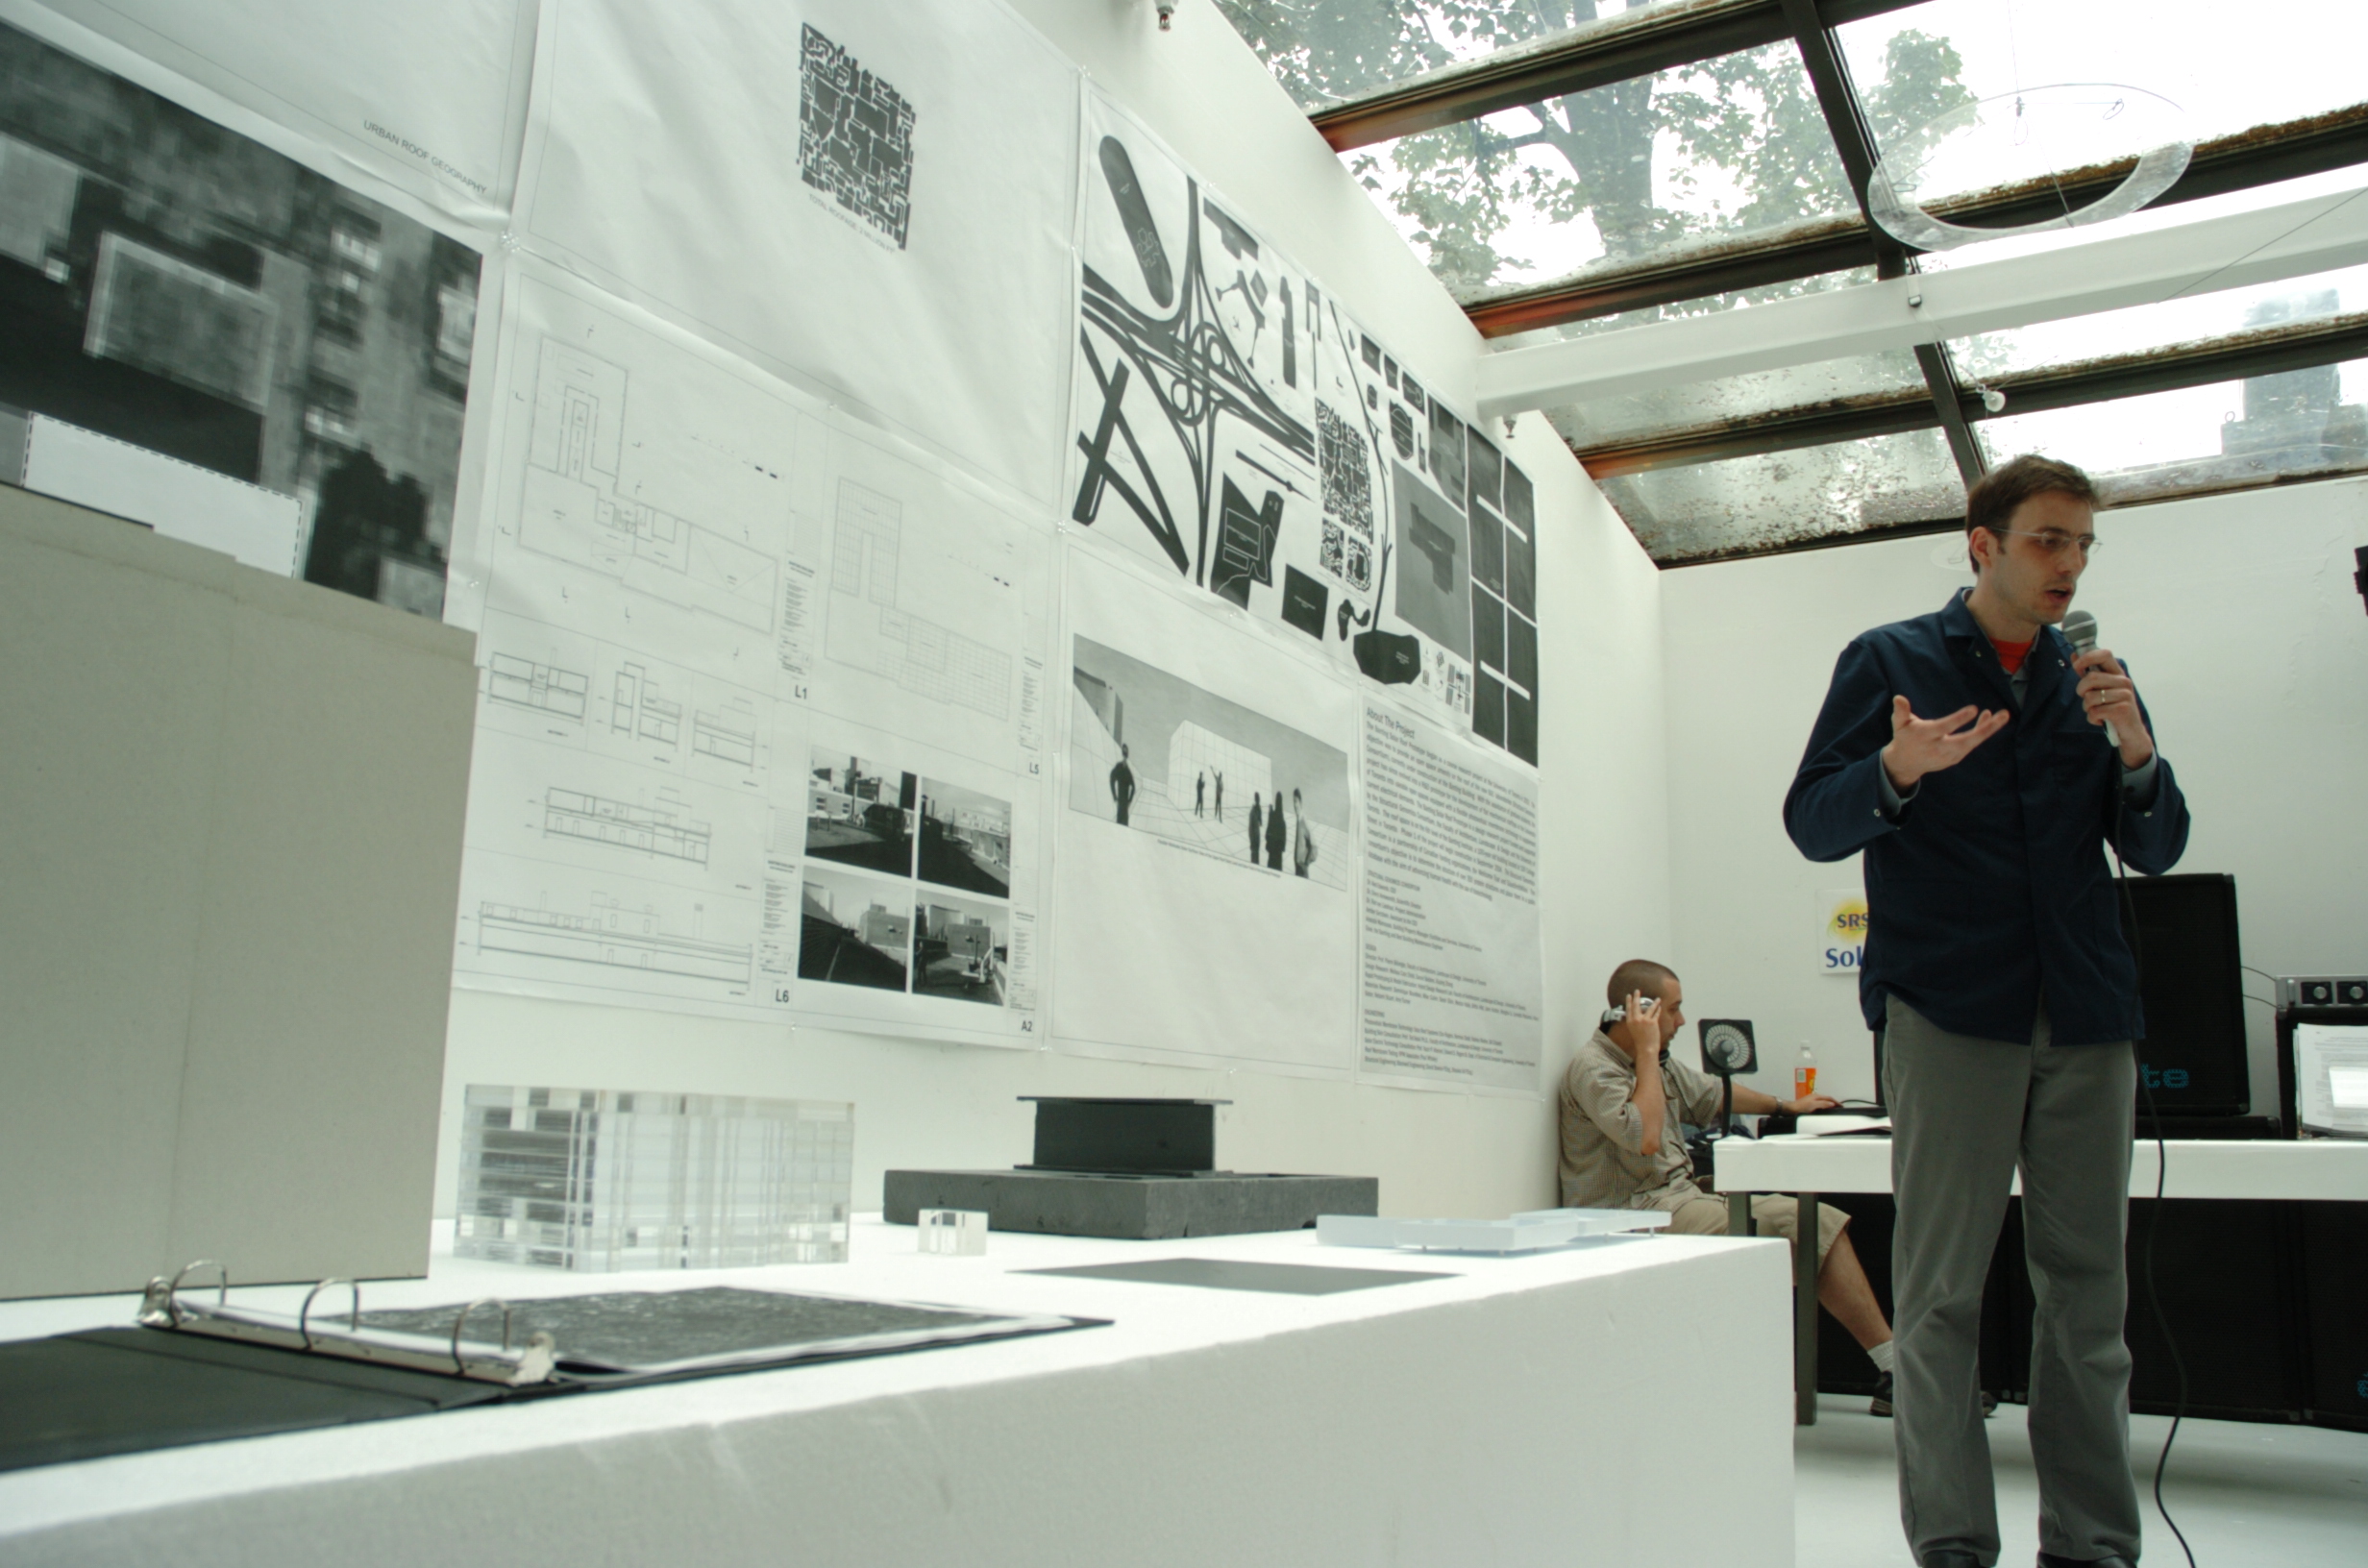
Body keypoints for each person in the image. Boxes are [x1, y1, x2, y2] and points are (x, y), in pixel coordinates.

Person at [1785, 454, 2189, 1568]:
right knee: (1939, 1298)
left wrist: (2137, 750)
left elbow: (2156, 847)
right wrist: (1895, 767)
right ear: (1983, 543)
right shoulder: (1889, 660)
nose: (2069, 564)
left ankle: (2093, 1546)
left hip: (2085, 1013)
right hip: (1949, 1010)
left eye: (2082, 545)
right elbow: (1813, 821)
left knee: (2088, 1301)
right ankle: (1955, 1543)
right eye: (2048, 540)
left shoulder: (2094, 677)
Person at [1559, 959, 1899, 1411]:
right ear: (1641, 1012)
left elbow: (1714, 1094)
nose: (1682, 1021)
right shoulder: (1595, 1069)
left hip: (1678, 1198)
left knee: (1817, 1220)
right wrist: (1646, 1053)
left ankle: (1894, 1368)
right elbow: (1645, 1138)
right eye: (1673, 1010)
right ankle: (1884, 1373)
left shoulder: (1657, 1064)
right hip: (1631, 1213)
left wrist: (1786, 1106)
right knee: (1795, 1228)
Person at [1291, 788, 1316, 878]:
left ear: (1300, 803)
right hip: (1297, 867)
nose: (1295, 805)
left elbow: (1314, 848)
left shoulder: (1304, 821)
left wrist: (1306, 863)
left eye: (1296, 801)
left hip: (1302, 870)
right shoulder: (1298, 820)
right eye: (1293, 802)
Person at [1108, 744, 1135, 826]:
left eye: (1125, 754)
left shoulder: (1127, 770)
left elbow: (1133, 787)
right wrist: (1115, 797)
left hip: (1124, 803)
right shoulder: (1120, 767)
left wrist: (1129, 801)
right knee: (1120, 824)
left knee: (1123, 824)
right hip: (1121, 802)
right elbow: (1112, 779)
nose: (1124, 757)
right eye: (1124, 753)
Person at [1264, 790, 1286, 870]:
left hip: (1272, 853)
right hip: (1278, 856)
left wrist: (1270, 812)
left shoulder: (1272, 816)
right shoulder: (1283, 822)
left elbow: (1267, 835)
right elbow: (1283, 842)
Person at [1246, 793, 1262, 863]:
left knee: (1255, 857)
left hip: (1255, 837)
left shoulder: (1256, 810)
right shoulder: (1254, 811)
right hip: (1255, 837)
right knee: (1255, 857)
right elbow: (1251, 827)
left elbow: (1259, 823)